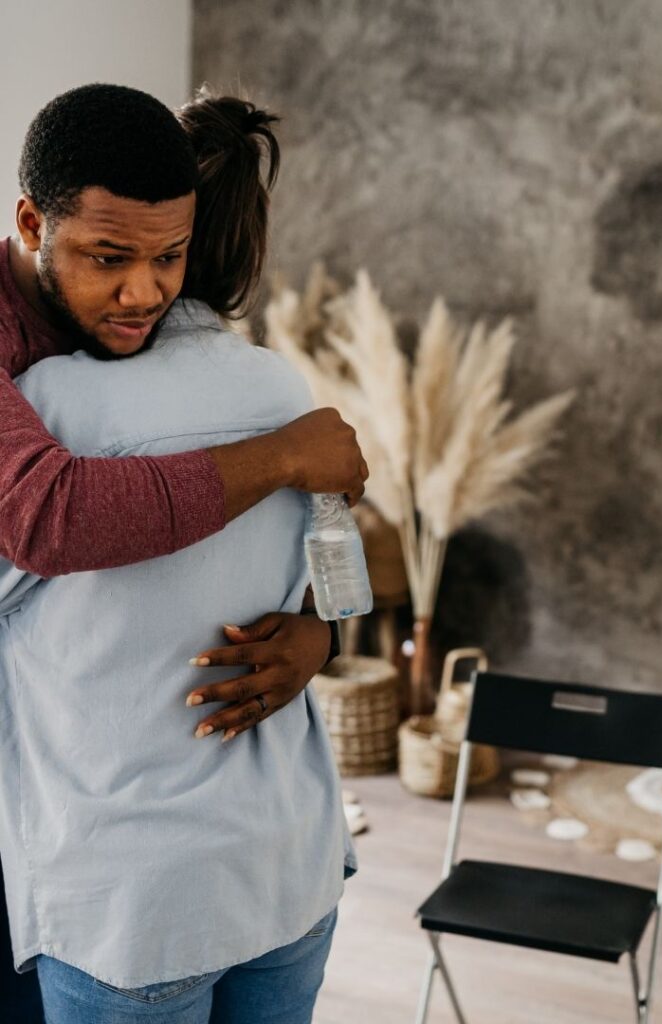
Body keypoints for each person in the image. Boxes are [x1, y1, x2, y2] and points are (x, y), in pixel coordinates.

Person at [0, 83, 365, 1022]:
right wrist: (287, 460)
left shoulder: (63, 402)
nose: (142, 292)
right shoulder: (289, 399)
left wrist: (319, 634)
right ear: (32, 224)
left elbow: (336, 572)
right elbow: (50, 515)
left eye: (166, 258)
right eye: (108, 259)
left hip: (130, 899)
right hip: (286, 863)